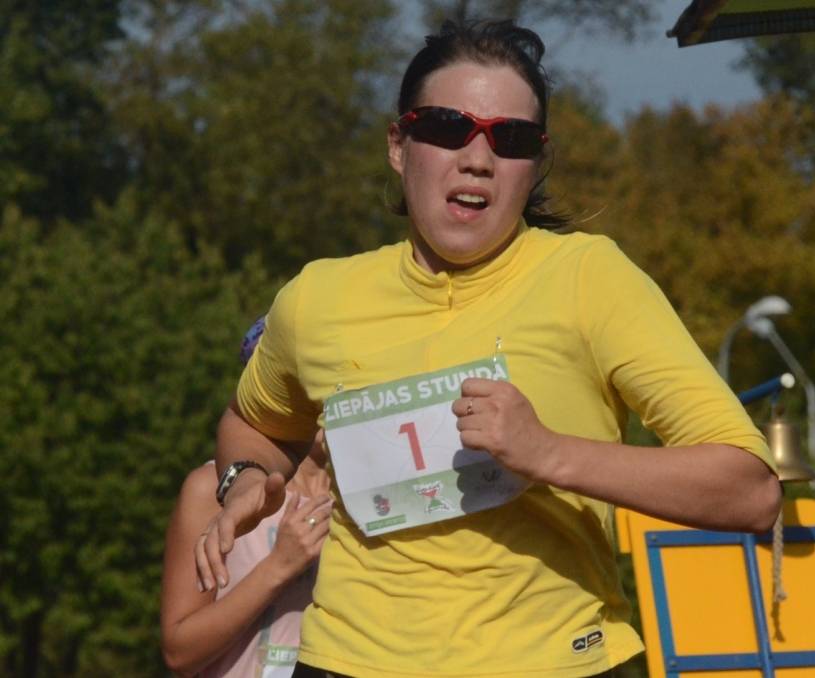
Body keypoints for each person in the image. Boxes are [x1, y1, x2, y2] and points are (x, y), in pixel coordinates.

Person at [197, 19, 782, 678]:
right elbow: (252, 423)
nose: (478, 158)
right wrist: (244, 480)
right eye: (448, 127)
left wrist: (549, 453)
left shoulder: (590, 278)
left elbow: (750, 492)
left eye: (511, 138)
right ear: (399, 145)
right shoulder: (318, 298)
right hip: (345, 663)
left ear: (536, 165)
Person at [161, 319, 333, 677]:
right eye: (297, 389)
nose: (317, 402)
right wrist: (278, 567)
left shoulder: (360, 497)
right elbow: (180, 652)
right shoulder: (212, 489)